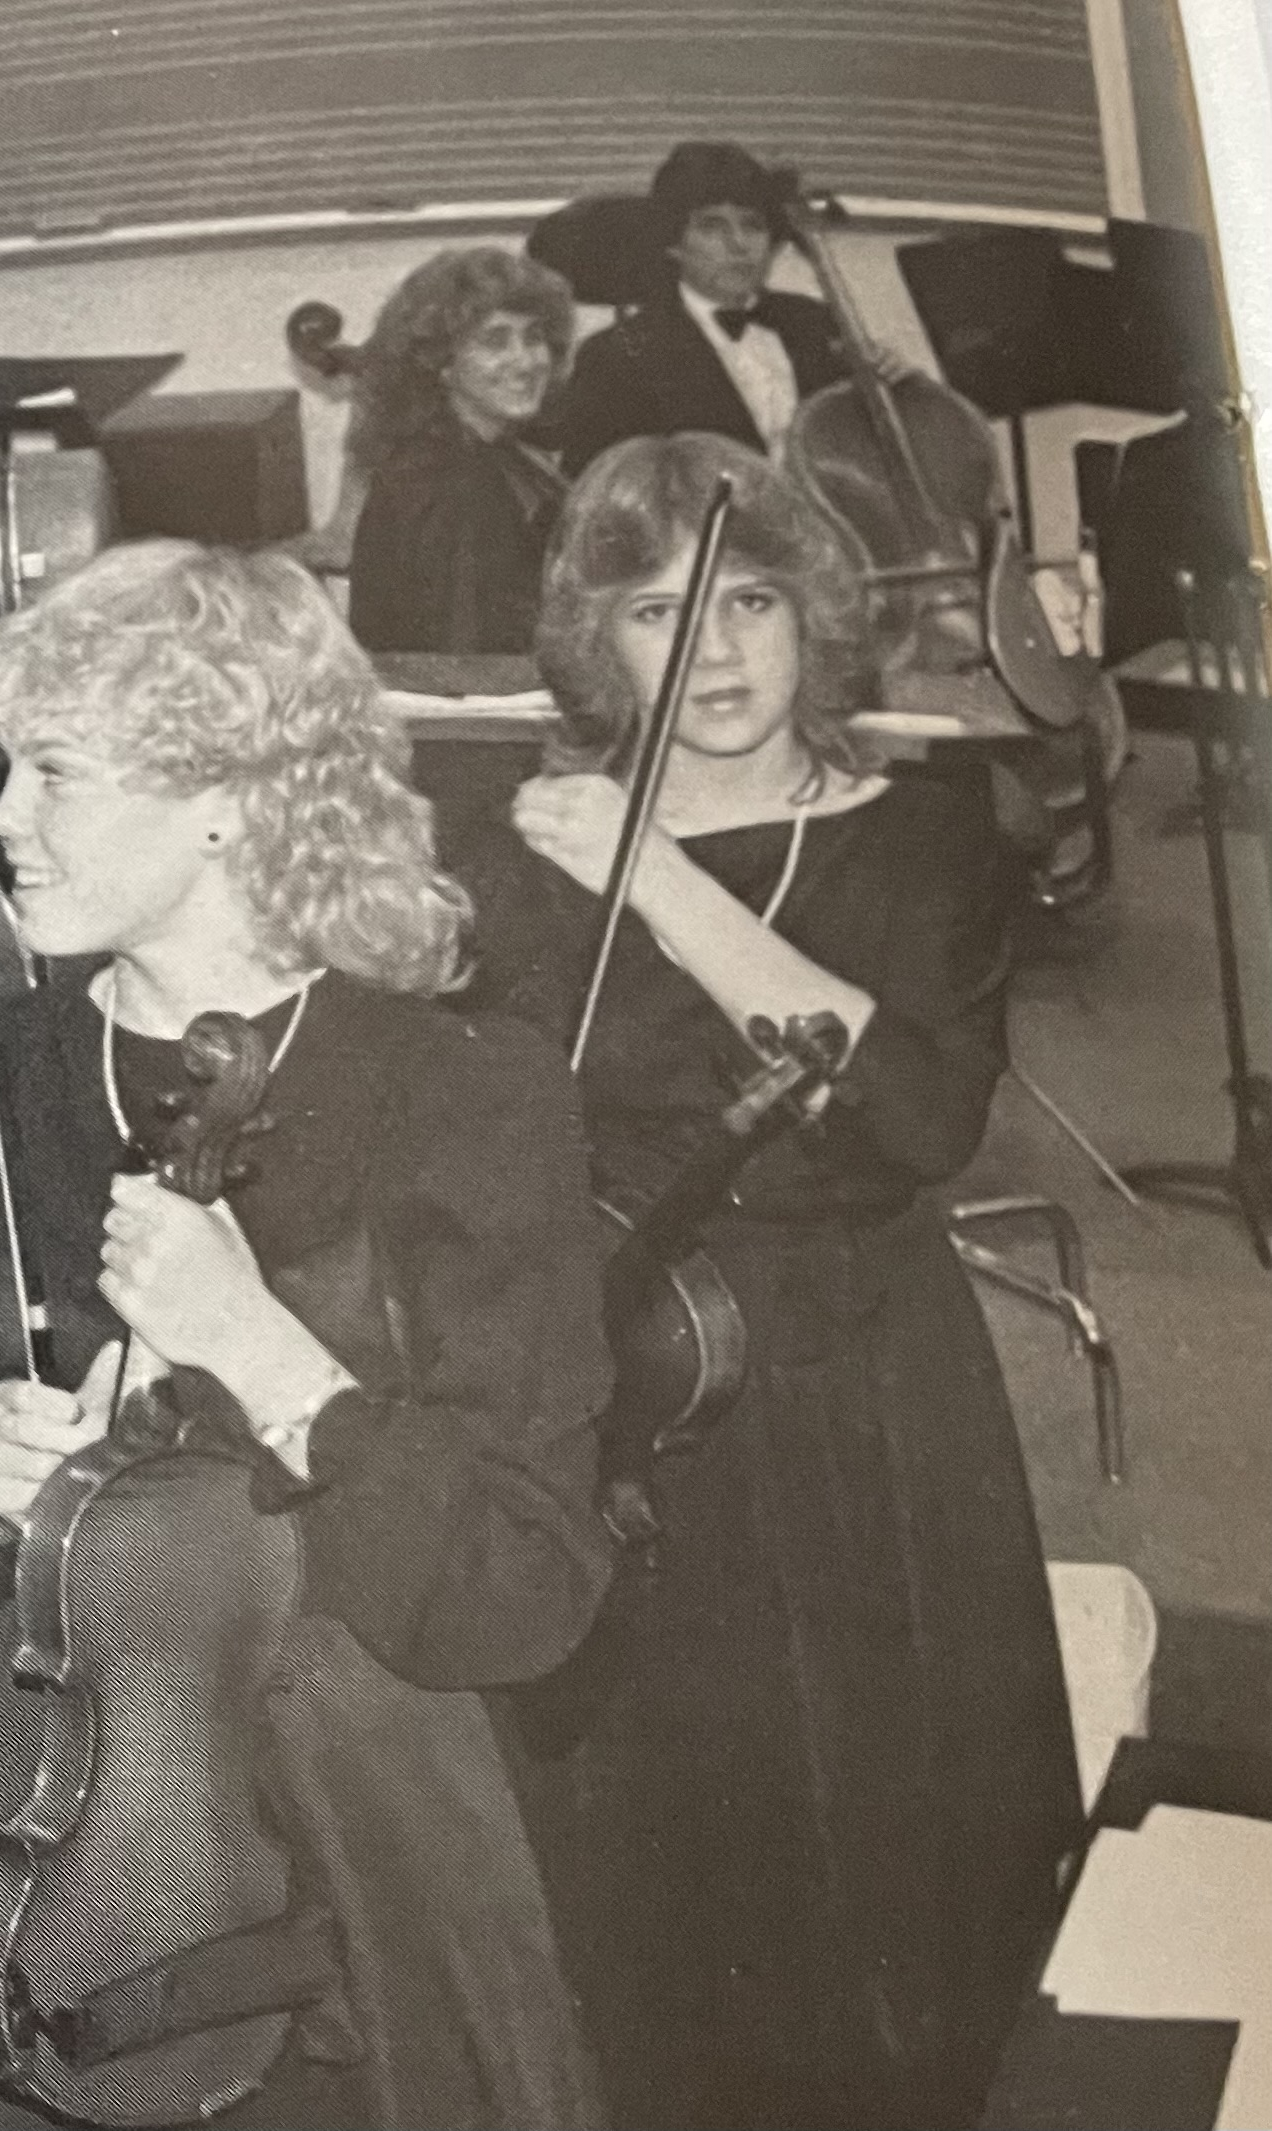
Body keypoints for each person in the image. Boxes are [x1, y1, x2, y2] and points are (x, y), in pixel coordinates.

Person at [0, 542, 616, 2129]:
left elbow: (528, 1586)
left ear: (225, 792)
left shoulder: (466, 1095)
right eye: (3, 770)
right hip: (60, 1833)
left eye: (55, 772)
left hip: (365, 1843)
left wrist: (267, 1356)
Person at [462, 433, 1084, 2130]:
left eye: (748, 596)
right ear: (605, 644)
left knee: (891, 1874)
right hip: (629, 1395)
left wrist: (652, 879)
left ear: (813, 612)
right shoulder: (535, 855)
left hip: (857, 1387)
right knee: (663, 1877)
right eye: (661, 610)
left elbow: (915, 1116)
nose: (718, 650)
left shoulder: (927, 839)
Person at [540, 141, 851, 474]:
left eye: (752, 225)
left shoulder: (815, 321)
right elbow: (599, 492)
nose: (739, 245)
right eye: (712, 226)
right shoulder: (614, 355)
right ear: (674, 244)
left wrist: (894, 387)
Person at [345, 245, 577, 656]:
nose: (524, 361)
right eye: (495, 341)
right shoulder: (443, 479)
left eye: (534, 337)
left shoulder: (493, 451)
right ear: (441, 361)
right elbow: (467, 662)